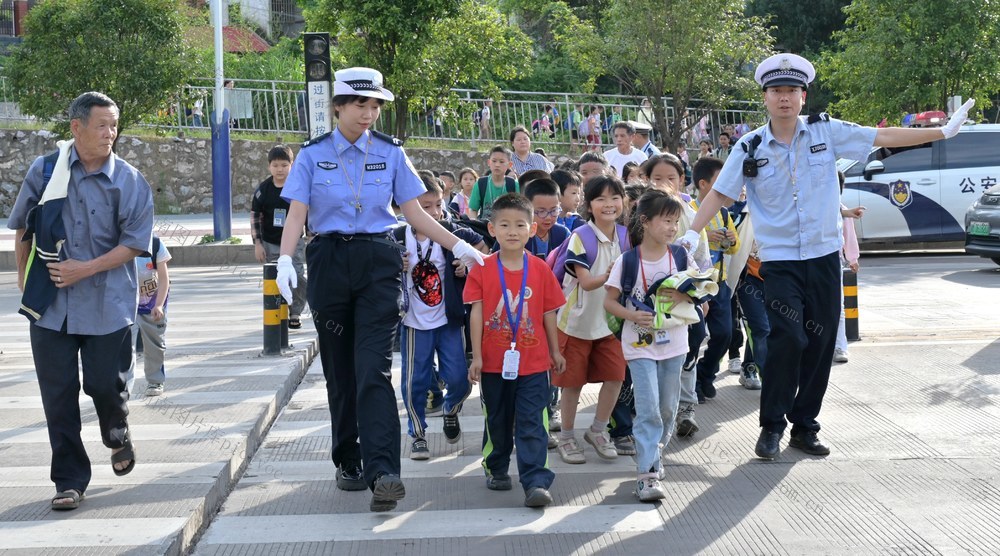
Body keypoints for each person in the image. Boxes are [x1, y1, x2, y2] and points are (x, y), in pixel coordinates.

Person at [682, 53, 975, 460]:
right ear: (765, 98)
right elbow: (720, 193)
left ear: (803, 97)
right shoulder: (749, 146)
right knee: (788, 338)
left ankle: (805, 426)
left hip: (823, 255)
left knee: (820, 344)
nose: (784, 98)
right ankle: (771, 427)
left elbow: (881, 136)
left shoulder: (827, 131)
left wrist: (942, 133)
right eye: (776, 91)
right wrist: (690, 233)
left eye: (791, 91)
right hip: (780, 259)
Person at [275, 67, 485, 512]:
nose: (369, 113)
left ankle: (384, 470)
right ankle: (347, 458)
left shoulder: (390, 153)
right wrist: (284, 261)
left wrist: (460, 244)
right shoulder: (312, 155)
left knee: (373, 367)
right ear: (338, 106)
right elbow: (297, 214)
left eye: (375, 106)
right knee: (340, 370)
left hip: (377, 261)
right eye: (359, 104)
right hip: (329, 260)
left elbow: (416, 214)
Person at [9, 91, 154, 511]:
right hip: (49, 307)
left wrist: (83, 269)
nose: (110, 133)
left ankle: (117, 428)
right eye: (102, 125)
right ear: (76, 127)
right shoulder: (45, 171)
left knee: (103, 385)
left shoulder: (128, 179)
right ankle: (70, 480)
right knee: (58, 394)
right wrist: (24, 280)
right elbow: (24, 227)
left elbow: (134, 244)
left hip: (107, 303)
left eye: (114, 125)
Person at [465, 193, 566, 508]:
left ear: (532, 229)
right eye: (504, 224)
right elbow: (477, 313)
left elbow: (549, 313)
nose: (512, 231)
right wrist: (477, 357)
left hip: (534, 364)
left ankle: (536, 480)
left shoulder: (539, 269)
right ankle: (495, 466)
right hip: (495, 364)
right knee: (497, 419)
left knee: (533, 419)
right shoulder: (482, 268)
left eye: (520, 224)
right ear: (491, 229)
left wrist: (555, 351)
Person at [605, 189, 693, 501]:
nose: (672, 227)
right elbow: (609, 301)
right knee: (648, 408)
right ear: (646, 221)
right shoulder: (627, 261)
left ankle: (653, 454)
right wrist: (632, 315)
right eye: (666, 221)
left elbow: (700, 298)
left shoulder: (681, 256)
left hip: (675, 342)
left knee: (667, 409)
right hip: (639, 345)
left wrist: (687, 297)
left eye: (675, 221)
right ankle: (647, 474)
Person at [395, 172, 486, 461]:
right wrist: (394, 264)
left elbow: (484, 254)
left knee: (460, 380)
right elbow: (373, 270)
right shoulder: (395, 237)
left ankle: (450, 410)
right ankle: (418, 434)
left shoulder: (454, 233)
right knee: (414, 383)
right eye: (424, 207)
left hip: (449, 321)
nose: (433, 212)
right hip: (414, 323)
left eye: (437, 204)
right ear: (407, 207)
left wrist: (466, 267)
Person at [554, 175, 628, 464]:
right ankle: (567, 437)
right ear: (589, 204)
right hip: (576, 324)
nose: (608, 204)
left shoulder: (625, 235)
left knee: (615, 377)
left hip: (611, 323)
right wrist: (611, 275)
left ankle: (598, 430)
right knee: (572, 384)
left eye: (614, 197)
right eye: (601, 199)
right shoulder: (580, 237)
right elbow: (585, 282)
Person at [685, 157, 739, 402]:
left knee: (725, 334)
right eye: (721, 180)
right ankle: (692, 379)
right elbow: (685, 240)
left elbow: (733, 249)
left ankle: (706, 373)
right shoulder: (689, 211)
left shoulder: (724, 213)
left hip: (720, 283)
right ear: (704, 184)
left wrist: (729, 239)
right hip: (696, 285)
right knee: (695, 335)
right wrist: (707, 235)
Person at [252, 145, 307, 328]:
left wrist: (312, 236)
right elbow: (255, 217)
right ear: (269, 166)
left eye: (284, 165)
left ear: (292, 165)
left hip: (296, 242)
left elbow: (307, 213)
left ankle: (296, 312)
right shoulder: (263, 190)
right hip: (271, 242)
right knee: (275, 277)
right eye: (275, 165)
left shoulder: (298, 188)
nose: (280, 169)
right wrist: (258, 244)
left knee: (297, 275)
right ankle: (278, 312)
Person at [131, 235, 171, 397]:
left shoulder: (155, 245)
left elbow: (164, 279)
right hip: (128, 306)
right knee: (123, 346)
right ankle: (123, 384)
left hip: (153, 304)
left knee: (155, 345)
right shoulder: (120, 244)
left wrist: (159, 305)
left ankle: (155, 381)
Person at [835, 171, 861, 363]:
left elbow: (849, 236)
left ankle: (840, 346)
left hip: (833, 261)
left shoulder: (842, 209)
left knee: (838, 306)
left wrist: (852, 259)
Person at [467, 146, 518, 221]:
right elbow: (473, 210)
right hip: (484, 227)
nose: (497, 165)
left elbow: (518, 210)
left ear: (509, 165)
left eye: (501, 162)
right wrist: (474, 223)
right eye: (494, 161)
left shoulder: (513, 184)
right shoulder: (481, 183)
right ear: (489, 162)